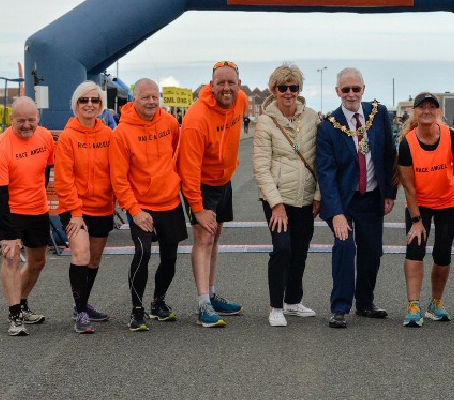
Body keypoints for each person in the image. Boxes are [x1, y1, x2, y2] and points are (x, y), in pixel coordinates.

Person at [317, 67, 397, 329]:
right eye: (346, 89)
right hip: (343, 201)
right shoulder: (328, 126)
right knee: (344, 246)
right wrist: (336, 212)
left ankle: (365, 302)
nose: (351, 94)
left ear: (363, 89)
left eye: (356, 89)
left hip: (372, 196)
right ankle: (339, 307)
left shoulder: (379, 114)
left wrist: (390, 193)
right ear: (337, 91)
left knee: (372, 251)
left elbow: (388, 155)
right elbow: (326, 173)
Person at [110, 78, 187, 332]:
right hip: (141, 205)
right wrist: (135, 210)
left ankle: (158, 302)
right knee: (142, 253)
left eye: (155, 97)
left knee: (170, 258)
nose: (152, 102)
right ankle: (136, 309)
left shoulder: (169, 122)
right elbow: (119, 179)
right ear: (135, 98)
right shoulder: (122, 131)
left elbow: (176, 153)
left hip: (170, 202)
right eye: (146, 97)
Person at [177, 61, 248, 328]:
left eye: (231, 82)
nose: (226, 88)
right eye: (221, 83)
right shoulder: (197, 118)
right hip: (201, 183)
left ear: (239, 84)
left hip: (224, 180)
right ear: (211, 85)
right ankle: (203, 303)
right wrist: (197, 207)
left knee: (216, 236)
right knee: (204, 238)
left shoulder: (240, 100)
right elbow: (188, 168)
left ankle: (212, 292)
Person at [253, 63, 321, 327]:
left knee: (300, 250)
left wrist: (318, 194)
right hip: (277, 199)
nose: (289, 92)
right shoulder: (266, 122)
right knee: (282, 248)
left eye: (293, 87)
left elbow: (319, 160)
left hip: (305, 197)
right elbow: (261, 166)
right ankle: (276, 305)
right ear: (274, 90)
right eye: (283, 88)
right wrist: (276, 204)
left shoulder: (312, 117)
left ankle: (293, 301)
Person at [0, 96, 55, 336]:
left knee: (38, 262)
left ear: (38, 118)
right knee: (11, 258)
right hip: (12, 210)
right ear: (11, 120)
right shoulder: (1, 146)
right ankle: (14, 314)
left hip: (38, 209)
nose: (26, 125)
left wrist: (38, 196)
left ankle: (23, 302)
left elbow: (46, 170)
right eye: (21, 121)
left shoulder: (46, 137)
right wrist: (7, 235)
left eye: (31, 120)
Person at [397, 92, 454, 327]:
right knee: (415, 249)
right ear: (415, 112)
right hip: (419, 204)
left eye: (431, 107)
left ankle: (435, 302)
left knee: (443, 254)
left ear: (438, 112)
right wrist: (416, 220)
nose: (427, 111)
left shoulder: (450, 136)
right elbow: (408, 186)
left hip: (448, 203)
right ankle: (413, 305)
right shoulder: (408, 143)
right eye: (422, 107)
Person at [55, 81, 114, 333]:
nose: (89, 104)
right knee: (81, 255)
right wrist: (76, 213)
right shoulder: (68, 137)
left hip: (102, 206)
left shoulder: (109, 135)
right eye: (83, 100)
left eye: (94, 100)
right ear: (76, 105)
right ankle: (81, 313)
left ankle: (83, 303)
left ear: (101, 105)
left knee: (94, 259)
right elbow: (64, 179)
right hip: (75, 208)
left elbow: (117, 171)